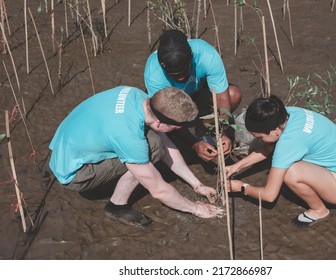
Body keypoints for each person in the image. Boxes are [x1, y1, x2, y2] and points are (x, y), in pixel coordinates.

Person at [49, 86, 224, 229]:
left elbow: (165, 142)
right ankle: (117, 205)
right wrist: (195, 208)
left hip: (67, 145)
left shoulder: (139, 97)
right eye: (175, 129)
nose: (177, 132)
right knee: (150, 148)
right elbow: (158, 190)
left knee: (155, 142)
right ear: (159, 123)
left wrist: (197, 184)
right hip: (74, 172)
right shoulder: (128, 134)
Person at [226, 95, 336, 228]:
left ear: (274, 130)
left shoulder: (288, 144)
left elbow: (269, 195)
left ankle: (319, 211)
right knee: (279, 153)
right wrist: (236, 166)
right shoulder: (287, 113)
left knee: (290, 172)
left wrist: (241, 187)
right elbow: (268, 148)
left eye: (261, 137)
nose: (260, 140)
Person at [144, 29, 242, 162]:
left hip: (201, 93)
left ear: (191, 56)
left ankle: (205, 127)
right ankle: (191, 137)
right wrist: (194, 144)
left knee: (233, 94)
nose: (182, 78)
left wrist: (221, 133)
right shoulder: (154, 74)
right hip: (174, 102)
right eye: (175, 75)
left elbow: (222, 98)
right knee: (163, 124)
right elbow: (166, 115)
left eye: (185, 71)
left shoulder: (206, 55)